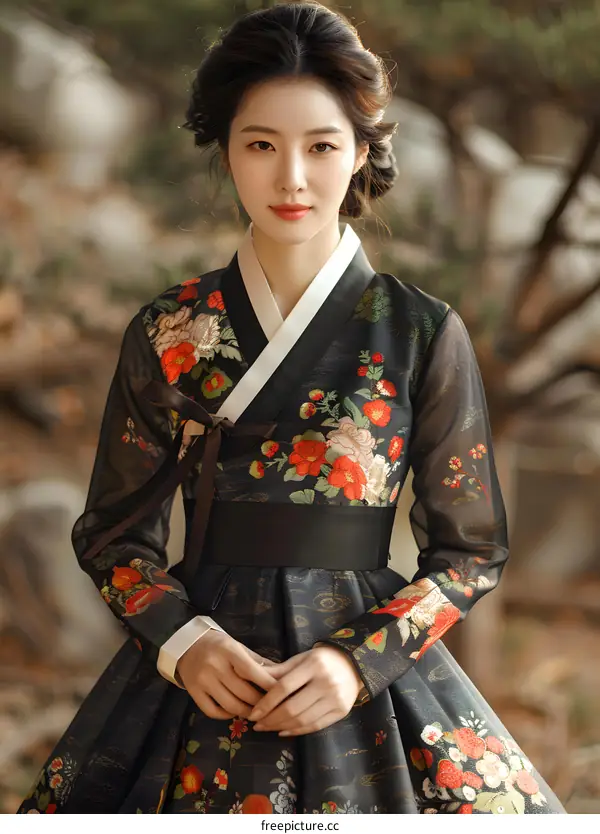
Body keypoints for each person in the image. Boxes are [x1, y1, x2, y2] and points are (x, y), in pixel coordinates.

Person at [19, 1, 566, 815]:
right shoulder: (170, 333)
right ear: (227, 153)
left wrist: (356, 663)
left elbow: (470, 552)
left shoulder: (420, 332)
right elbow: (112, 535)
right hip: (204, 675)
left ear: (361, 154)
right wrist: (183, 643)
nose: (292, 178)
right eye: (261, 145)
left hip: (359, 675)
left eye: (321, 146)